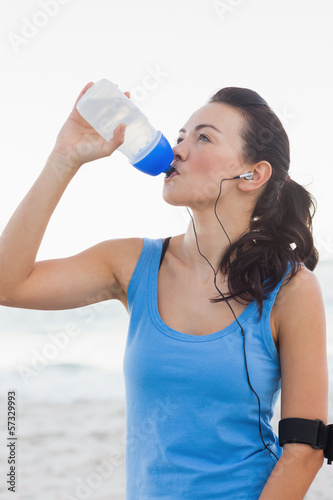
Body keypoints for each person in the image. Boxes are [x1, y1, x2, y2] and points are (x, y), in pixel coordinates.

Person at [0, 82, 328, 499]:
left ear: (253, 174)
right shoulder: (131, 264)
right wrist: (64, 158)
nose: (178, 150)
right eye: (179, 136)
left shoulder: (290, 288)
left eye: (203, 137)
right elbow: (8, 286)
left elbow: (304, 450)